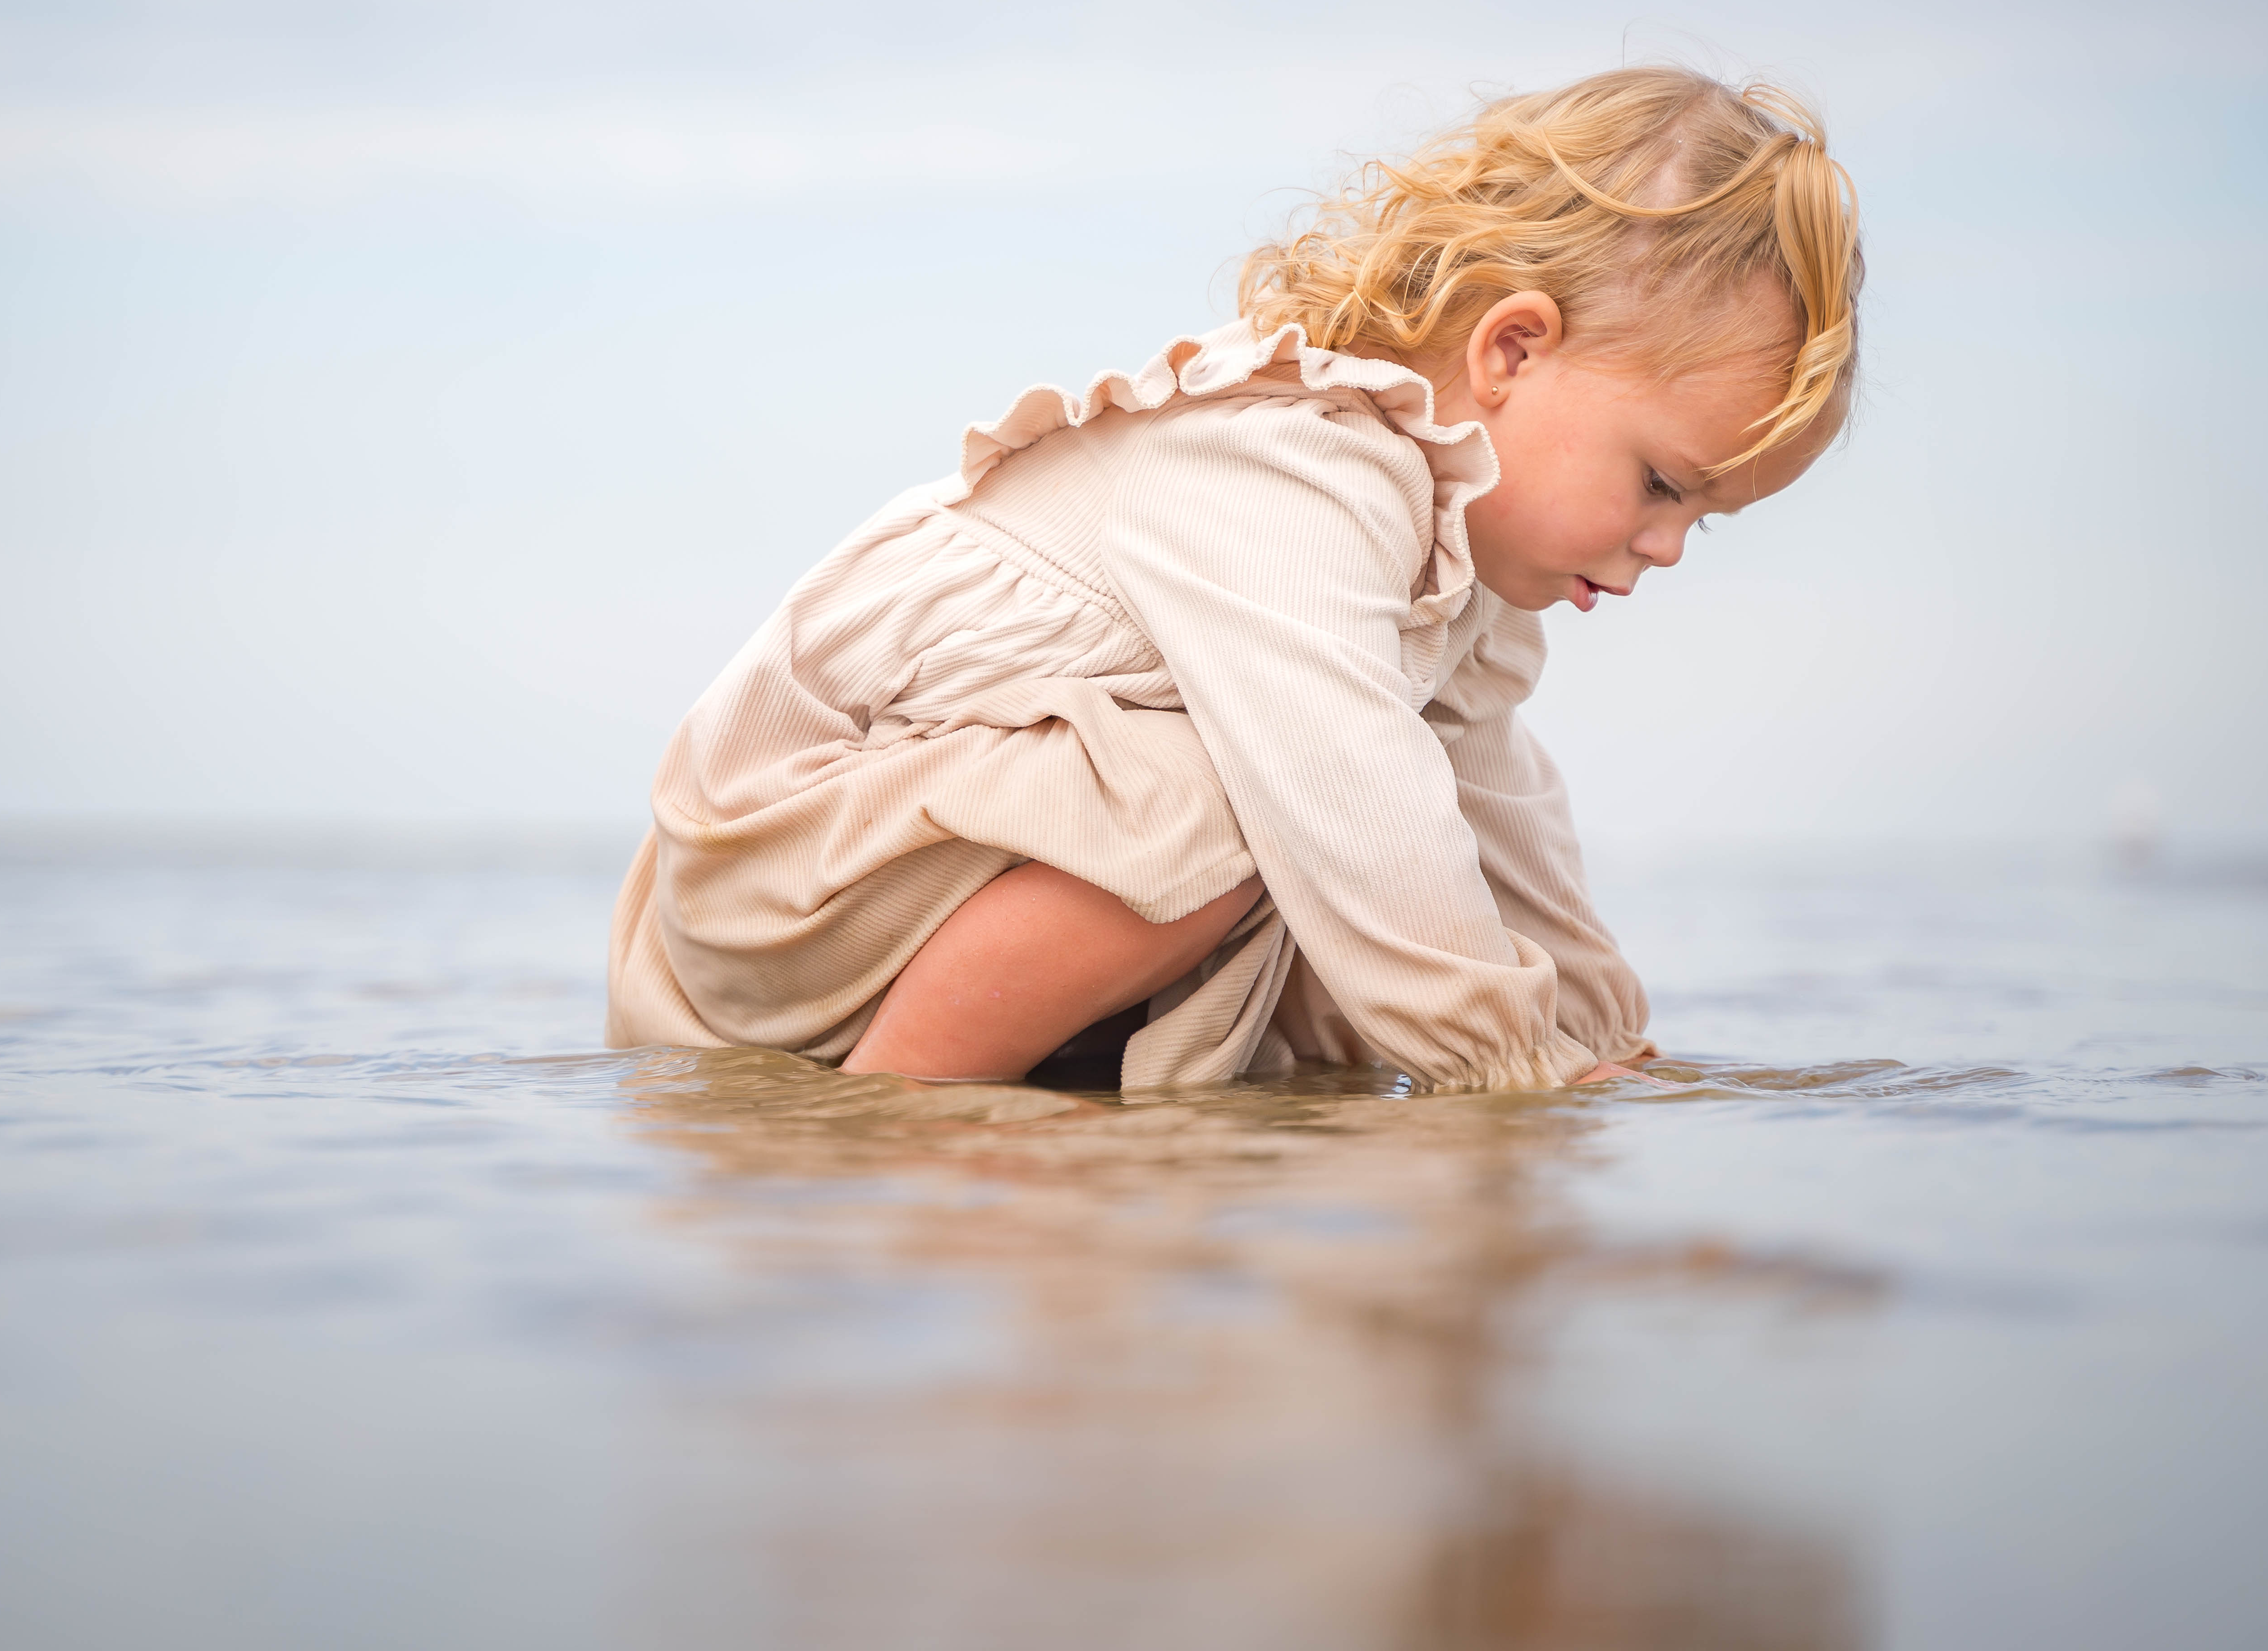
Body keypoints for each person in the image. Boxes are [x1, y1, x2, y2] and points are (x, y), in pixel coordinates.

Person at [605, 65, 1863, 1095]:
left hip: (900, 880)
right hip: (782, 881)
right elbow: (1347, 781)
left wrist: (1597, 1044)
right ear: (1512, 350)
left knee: (1343, 899)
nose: (1666, 549)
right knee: (1262, 804)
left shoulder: (1459, 564)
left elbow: (1497, 820)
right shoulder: (1286, 469)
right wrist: (1505, 1065)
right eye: (1663, 484)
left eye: (1709, 521)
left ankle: (1029, 1092)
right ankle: (906, 1108)